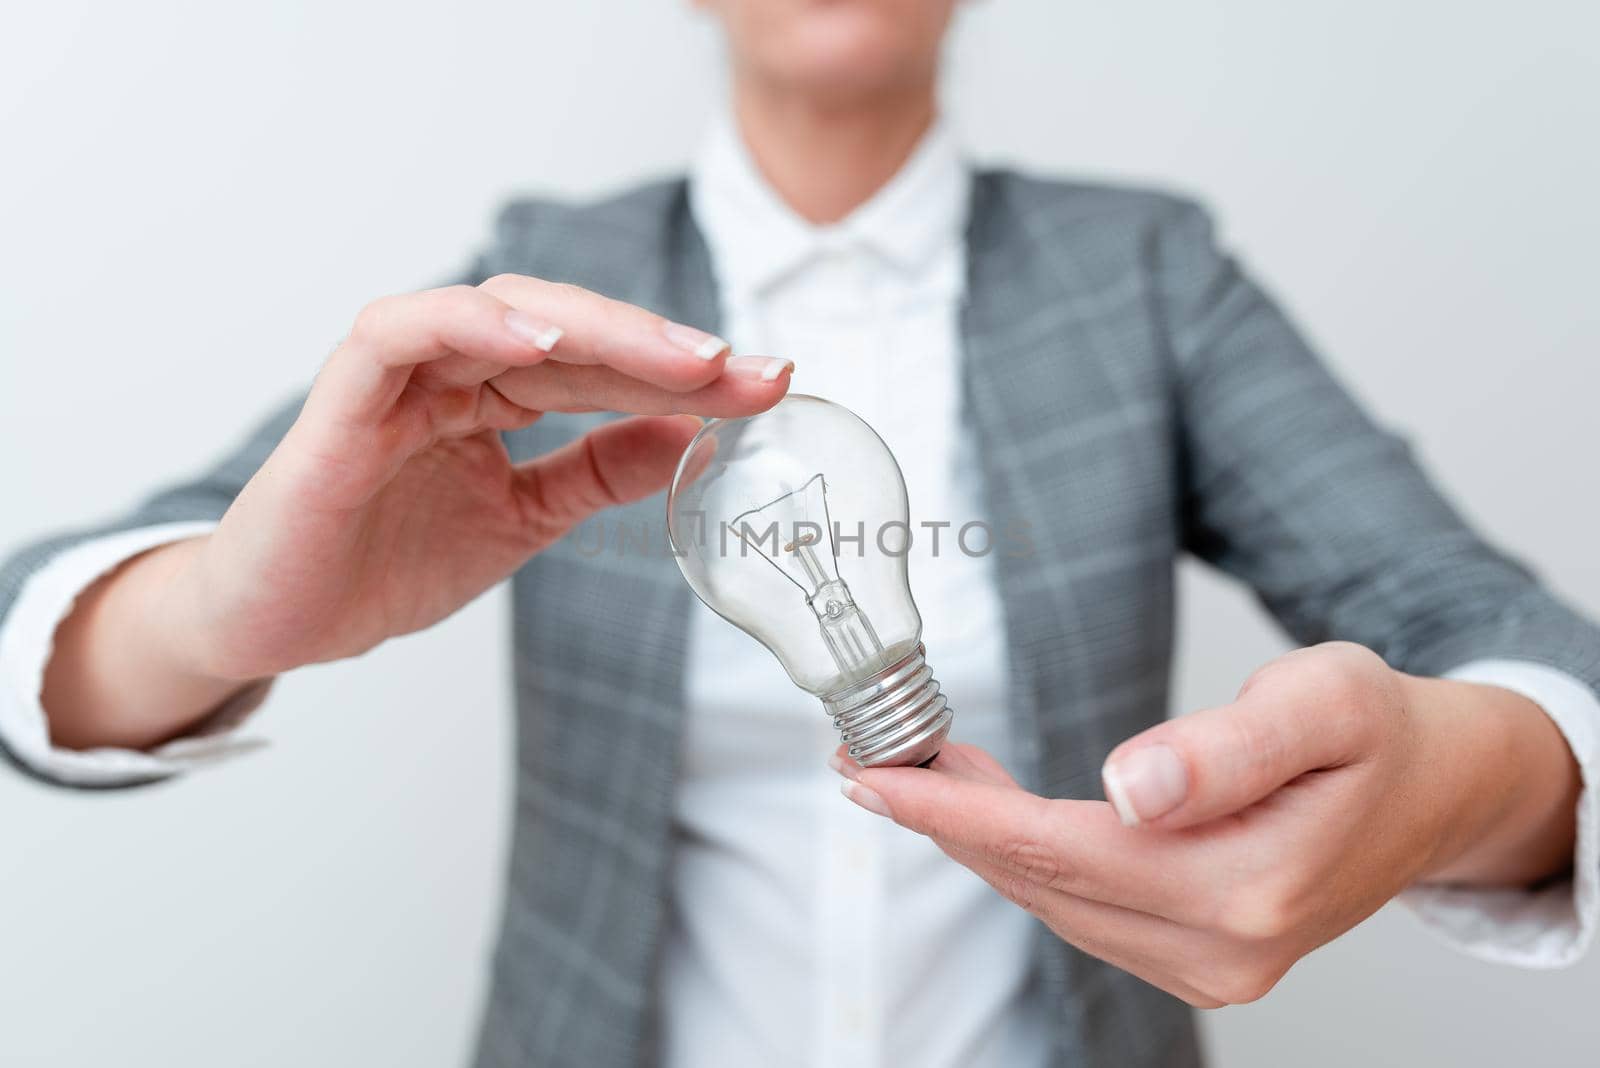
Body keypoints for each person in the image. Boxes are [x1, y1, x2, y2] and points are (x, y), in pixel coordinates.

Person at [3, 1, 1596, 1066]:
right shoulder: (542, 281)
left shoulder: (1142, 279)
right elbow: (50, 623)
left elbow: (1474, 621)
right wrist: (221, 615)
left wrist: (1463, 779)